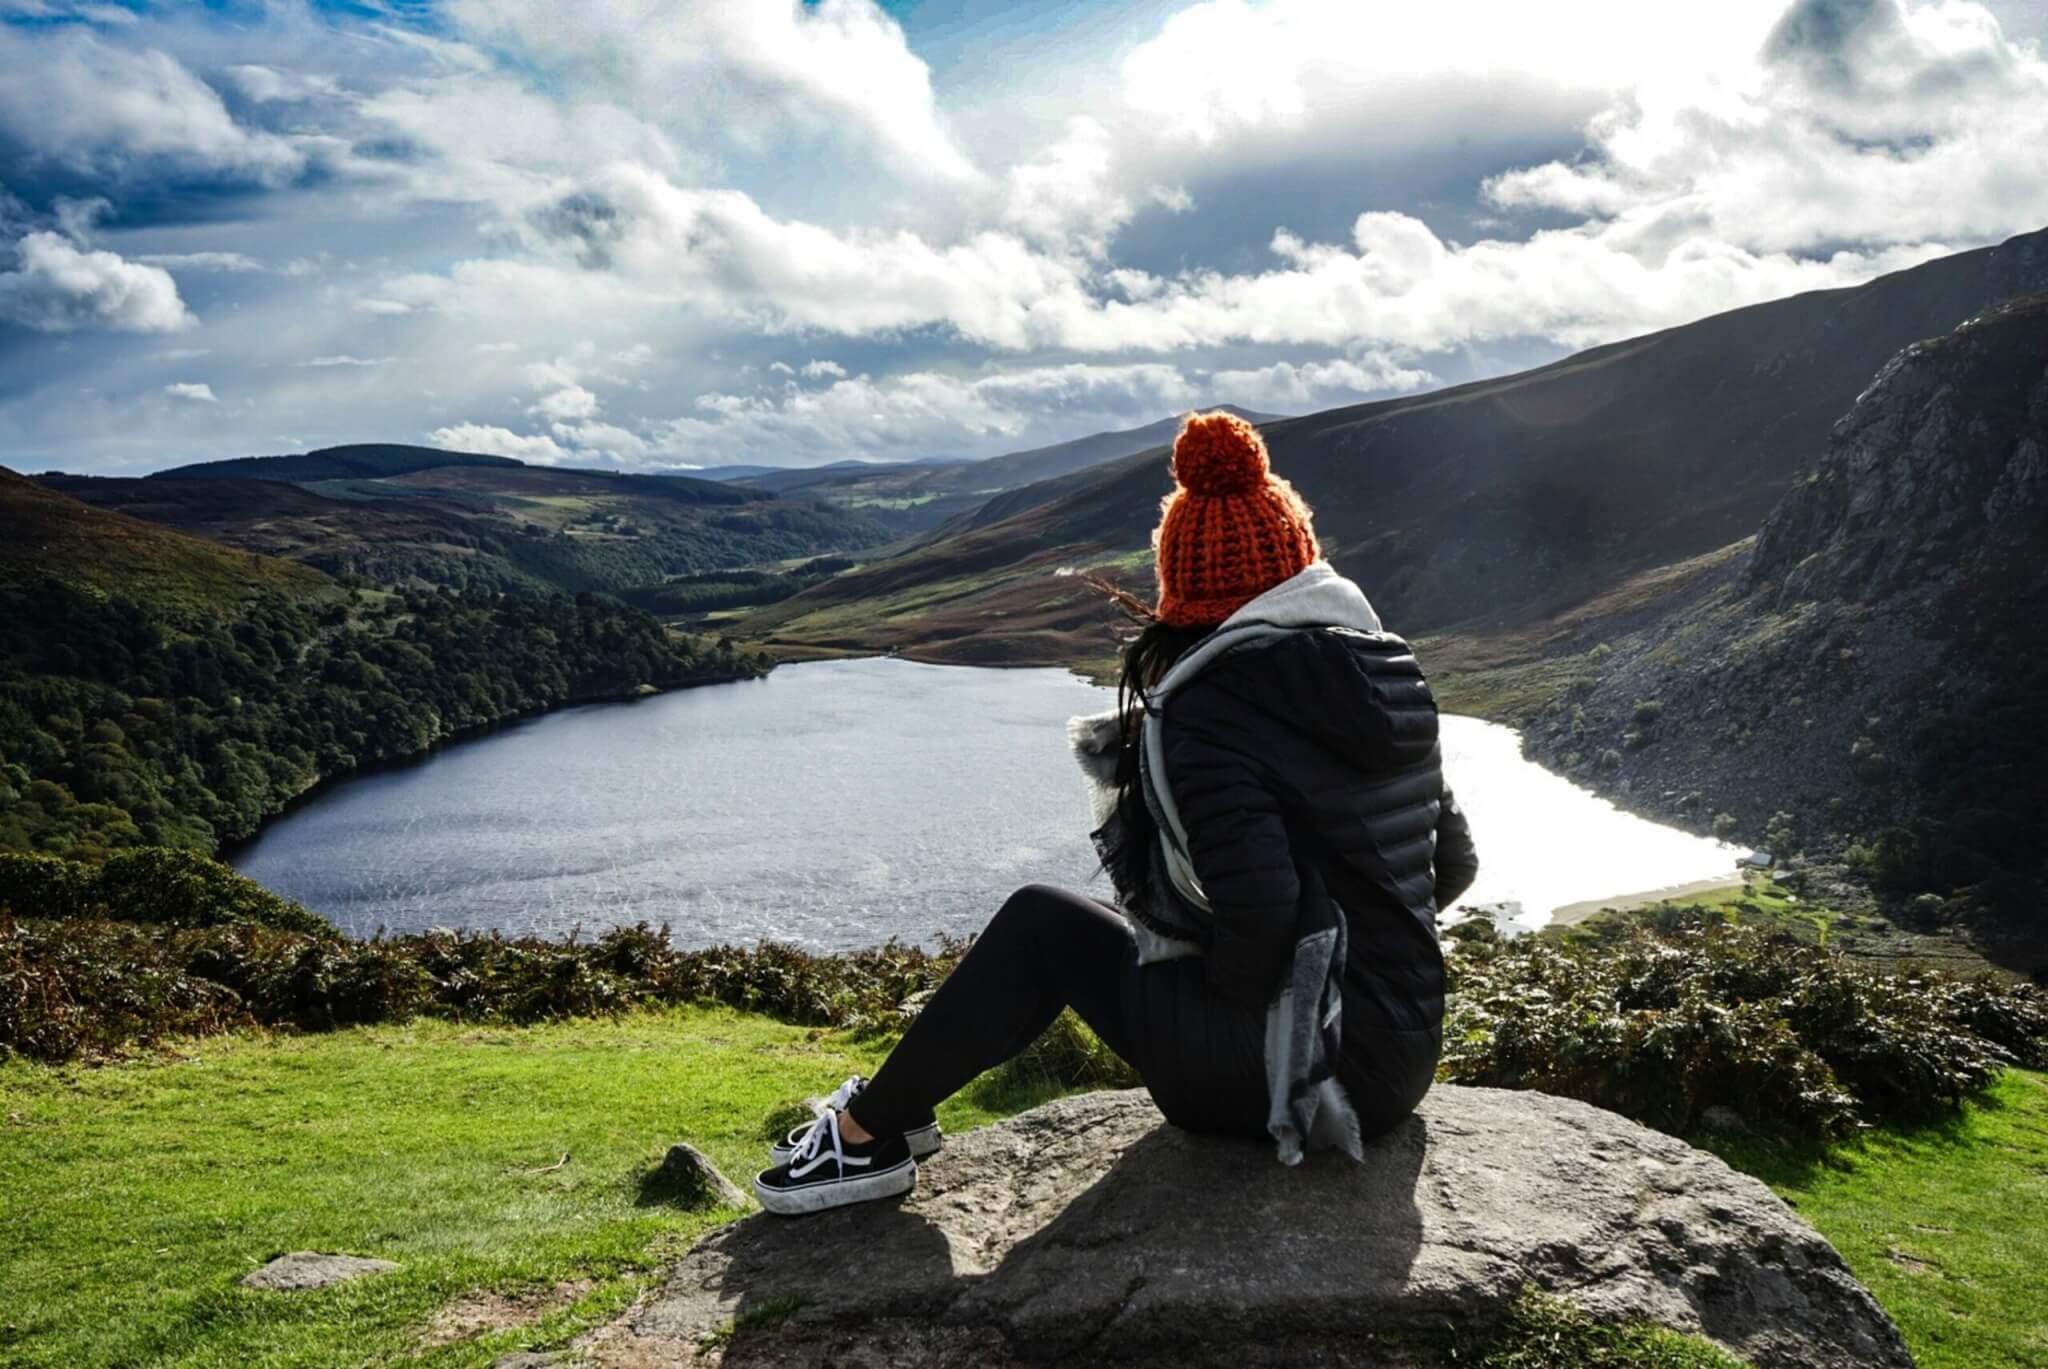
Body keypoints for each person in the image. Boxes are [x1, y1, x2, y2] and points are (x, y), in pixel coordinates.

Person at [753, 410, 1478, 1216]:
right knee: (1084, 928)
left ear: (1187, 586)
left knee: (1043, 925)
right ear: (1299, 559)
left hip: (1296, 1076)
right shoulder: (1391, 670)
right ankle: (900, 1106)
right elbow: (1451, 866)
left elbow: (1265, 914)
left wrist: (1221, 981)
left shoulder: (1211, 705)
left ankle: (864, 1137)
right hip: (1403, 1059)